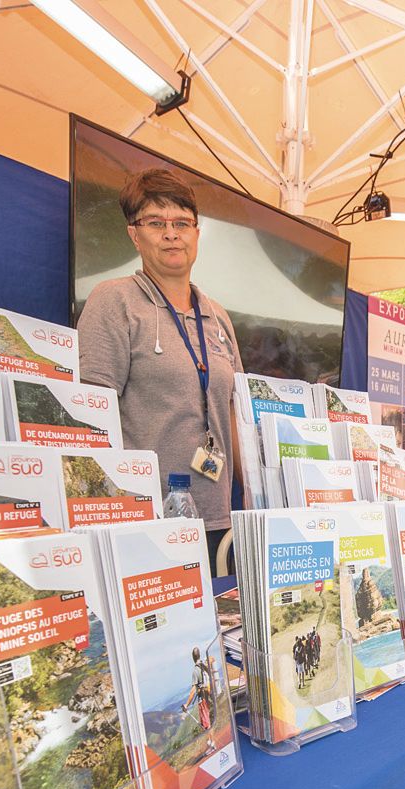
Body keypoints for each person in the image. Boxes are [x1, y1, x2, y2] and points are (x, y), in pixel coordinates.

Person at [79, 168, 244, 569]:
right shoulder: (114, 302)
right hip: (146, 527)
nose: (171, 234)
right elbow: (89, 417)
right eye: (156, 222)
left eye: (181, 223)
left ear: (197, 233)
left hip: (217, 524)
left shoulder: (218, 318)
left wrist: (261, 499)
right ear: (134, 234)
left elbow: (236, 415)